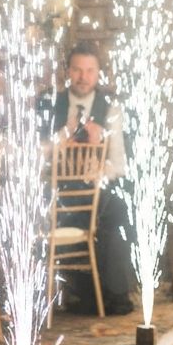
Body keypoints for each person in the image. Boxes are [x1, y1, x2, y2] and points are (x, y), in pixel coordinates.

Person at [38, 41, 135, 315]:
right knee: (106, 215)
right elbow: (37, 155)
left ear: (98, 73)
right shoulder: (50, 103)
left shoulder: (111, 109)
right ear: (68, 71)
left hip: (95, 192)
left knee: (115, 211)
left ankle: (111, 295)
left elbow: (120, 164)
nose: (83, 77)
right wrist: (63, 136)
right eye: (77, 70)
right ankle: (102, 294)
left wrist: (99, 167)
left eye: (89, 70)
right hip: (57, 195)